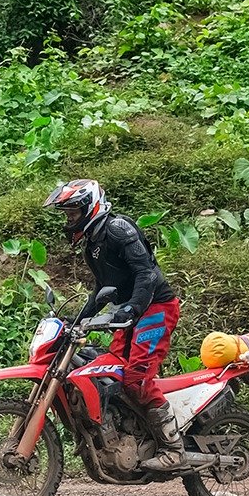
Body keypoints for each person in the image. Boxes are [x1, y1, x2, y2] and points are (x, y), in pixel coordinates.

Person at [42, 179, 186, 471]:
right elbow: (101, 289)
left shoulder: (119, 229)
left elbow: (146, 274)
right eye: (67, 215)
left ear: (90, 207)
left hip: (156, 307)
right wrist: (79, 318)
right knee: (113, 369)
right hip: (130, 311)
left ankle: (175, 449)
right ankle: (132, 434)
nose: (69, 220)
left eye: (73, 213)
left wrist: (132, 307)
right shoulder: (93, 245)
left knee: (135, 378)